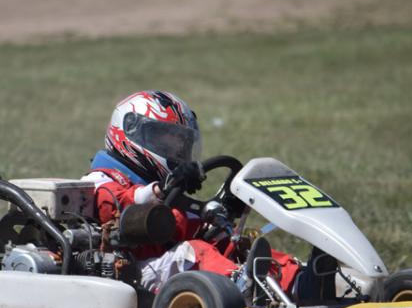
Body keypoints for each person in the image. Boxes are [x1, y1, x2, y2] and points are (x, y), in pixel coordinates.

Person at [81, 90, 299, 294]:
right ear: (129, 132)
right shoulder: (99, 181)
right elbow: (120, 204)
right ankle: (245, 291)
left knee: (235, 247)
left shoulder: (164, 191)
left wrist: (224, 213)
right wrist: (161, 189)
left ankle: (302, 280)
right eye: (165, 142)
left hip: (163, 262)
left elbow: (189, 225)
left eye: (180, 144)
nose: (176, 150)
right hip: (131, 271)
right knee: (194, 252)